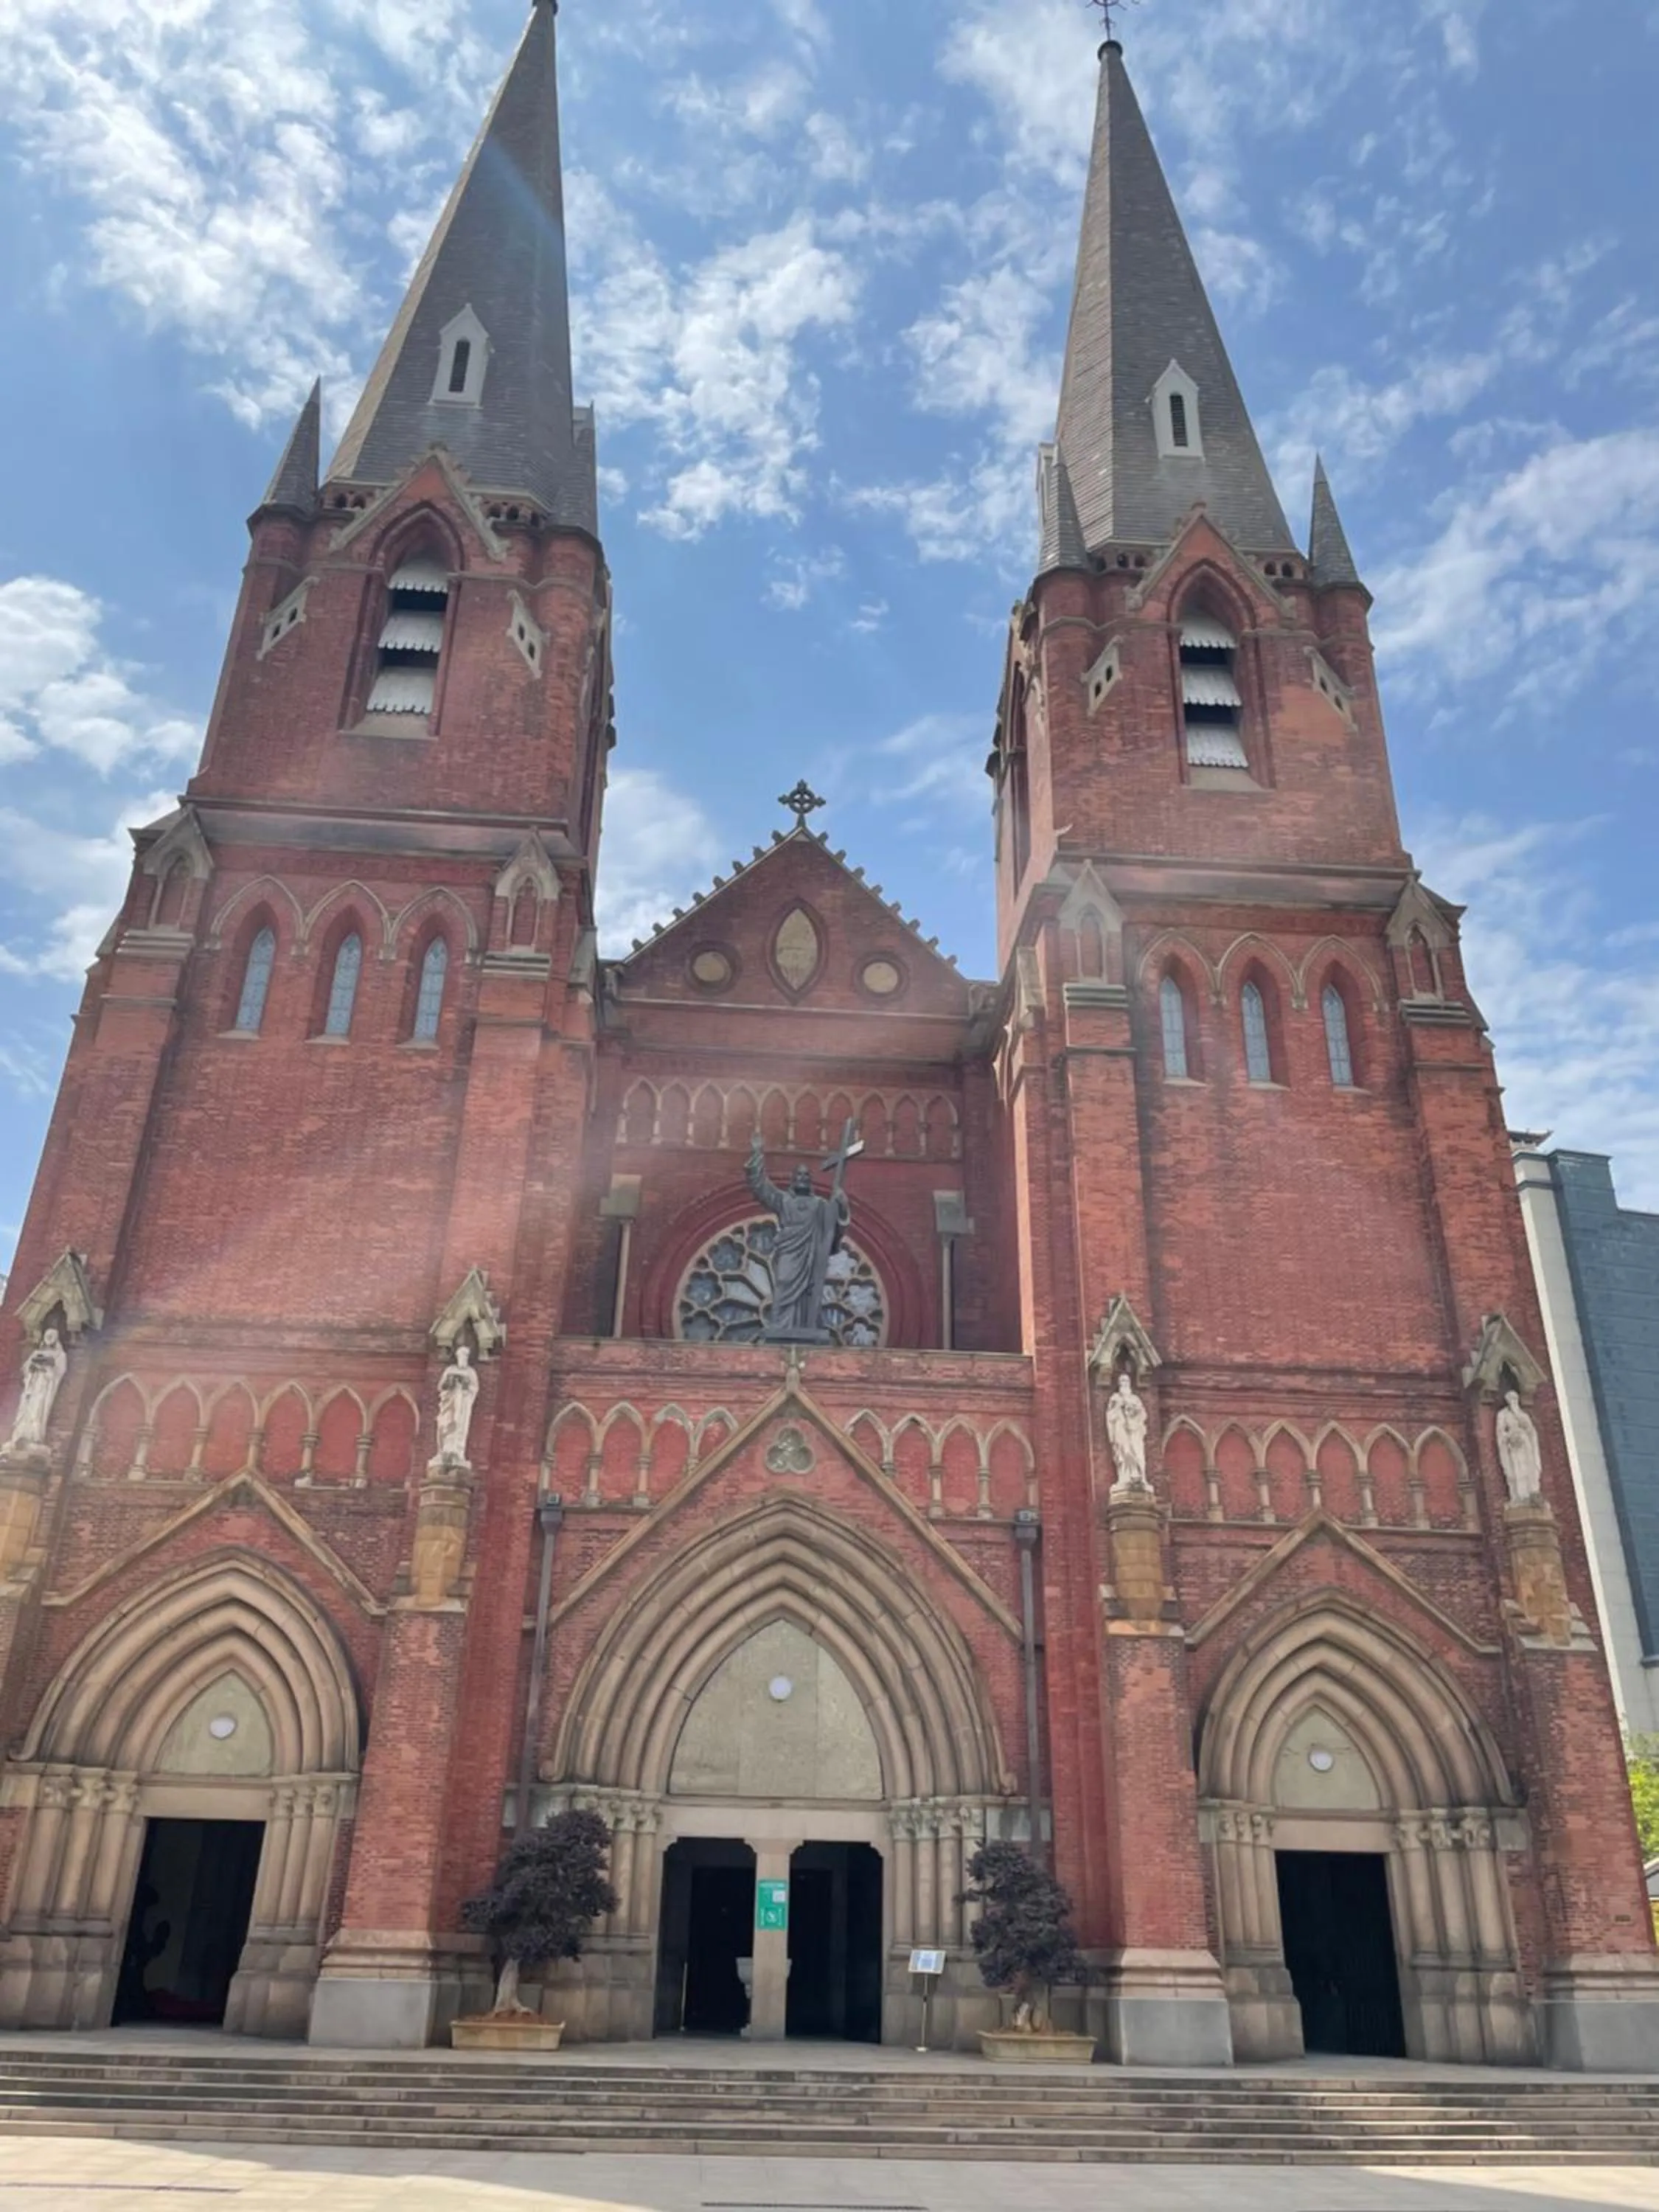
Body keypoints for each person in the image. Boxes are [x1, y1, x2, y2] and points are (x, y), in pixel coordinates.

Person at [745, 1136, 849, 1341]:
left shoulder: (820, 1205)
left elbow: (834, 1230)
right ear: (793, 1179)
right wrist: (757, 1155)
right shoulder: (784, 1200)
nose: (802, 1178)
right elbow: (761, 1188)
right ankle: (781, 1327)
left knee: (809, 1293)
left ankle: (805, 1326)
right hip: (790, 1251)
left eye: (806, 1175)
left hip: (811, 1255)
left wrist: (842, 1206)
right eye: (799, 1175)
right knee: (784, 1283)